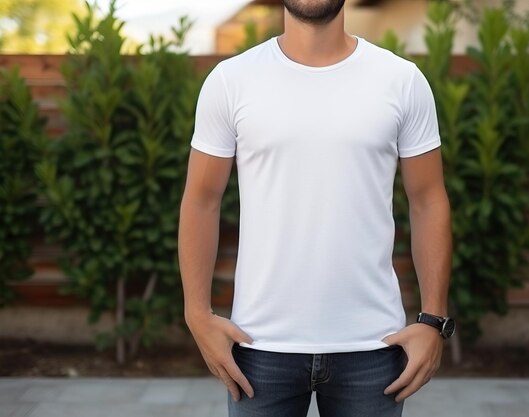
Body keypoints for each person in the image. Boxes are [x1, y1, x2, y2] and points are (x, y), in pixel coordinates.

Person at [178, 1, 454, 416]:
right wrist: (196, 315)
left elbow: (429, 200)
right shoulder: (231, 81)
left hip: (373, 349)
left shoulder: (401, 80)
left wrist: (434, 321)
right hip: (258, 349)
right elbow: (201, 200)